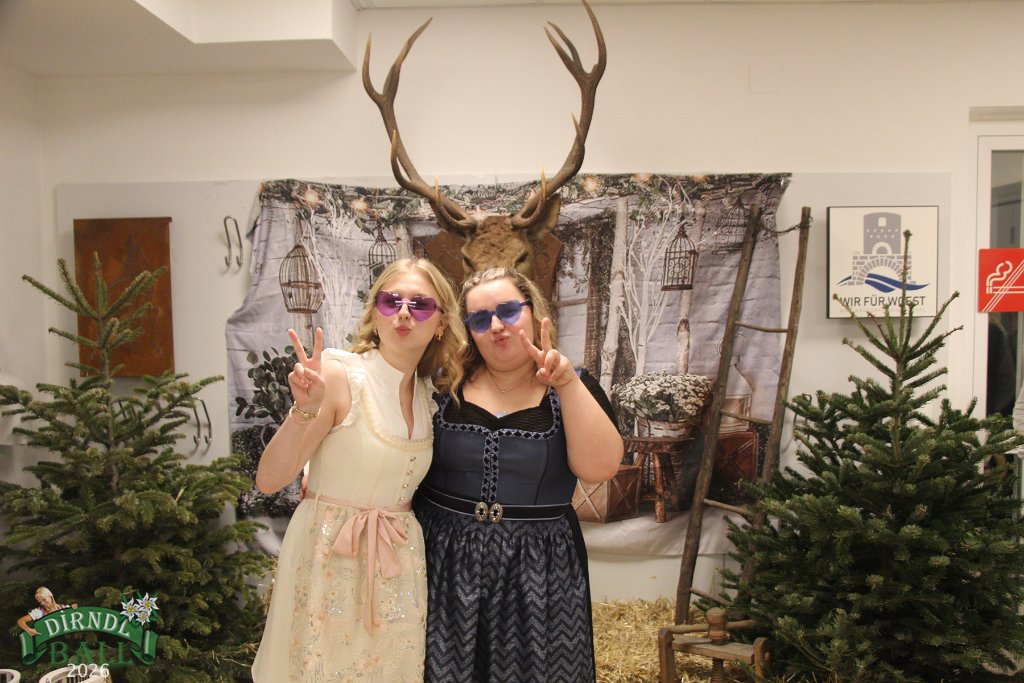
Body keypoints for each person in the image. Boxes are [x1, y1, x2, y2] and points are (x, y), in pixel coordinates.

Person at [251, 258, 465, 682]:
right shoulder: (340, 375)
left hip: (398, 562)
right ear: (375, 313)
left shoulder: (428, 395)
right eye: (391, 301)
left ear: (441, 323)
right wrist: (303, 411)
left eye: (420, 304)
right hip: (328, 554)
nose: (404, 313)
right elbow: (269, 480)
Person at [414, 266, 624, 682]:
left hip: (540, 564)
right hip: (445, 558)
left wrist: (566, 382)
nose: (496, 326)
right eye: (479, 319)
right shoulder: (440, 386)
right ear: (468, 330)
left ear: (532, 311)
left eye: (508, 311)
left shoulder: (574, 385)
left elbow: (599, 469)